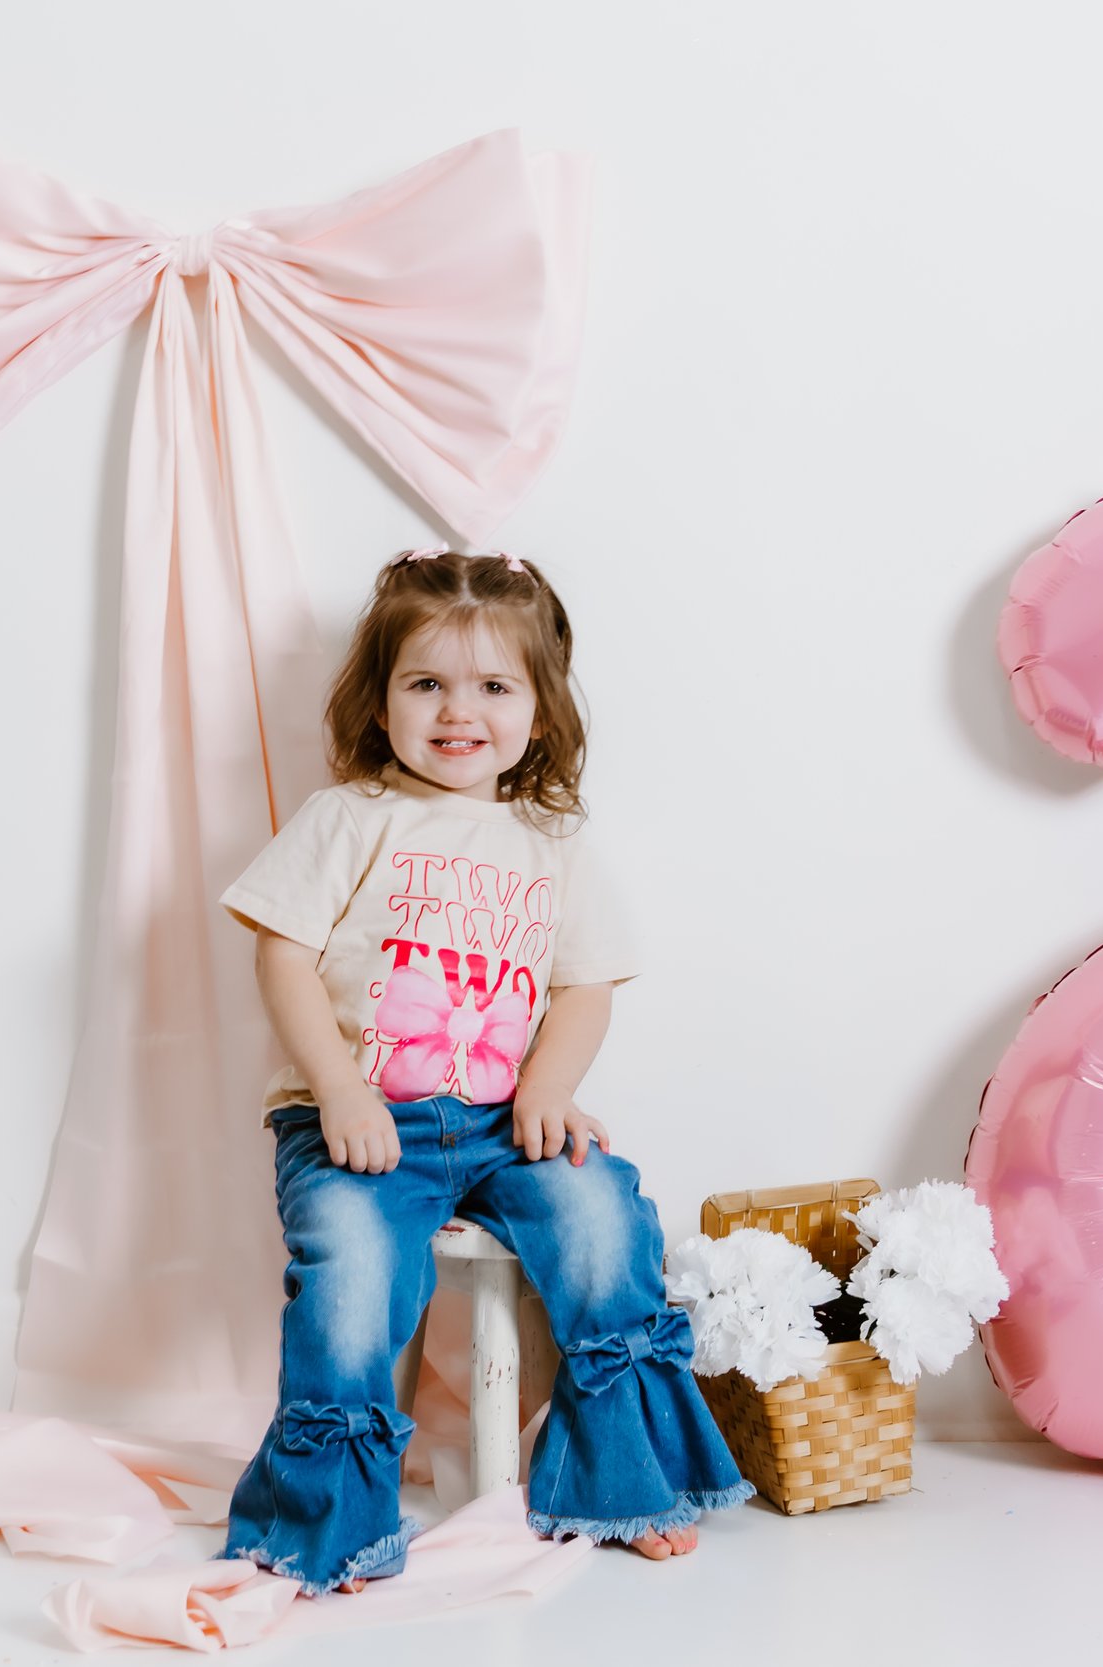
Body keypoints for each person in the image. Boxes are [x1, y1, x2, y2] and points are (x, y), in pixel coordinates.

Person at [216, 544, 752, 1597]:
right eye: (425, 683)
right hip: (363, 1118)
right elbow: (279, 952)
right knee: (354, 1275)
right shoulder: (350, 816)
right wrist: (338, 1085)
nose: (458, 711)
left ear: (540, 711)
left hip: (508, 1116)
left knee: (605, 1222)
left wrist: (548, 1084)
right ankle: (326, 1524)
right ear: (379, 703)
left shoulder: (549, 839)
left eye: (494, 686)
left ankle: (621, 1485)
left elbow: (584, 986)